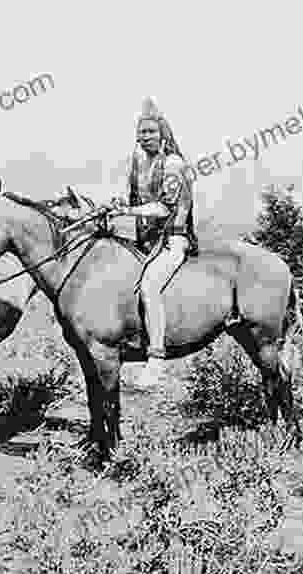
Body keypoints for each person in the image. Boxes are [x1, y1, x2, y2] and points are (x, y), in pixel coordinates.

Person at [115, 97, 196, 388]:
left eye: (150, 132)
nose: (143, 137)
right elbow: (137, 202)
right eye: (140, 132)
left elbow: (163, 207)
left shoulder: (174, 165)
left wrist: (127, 211)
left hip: (173, 240)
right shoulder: (140, 164)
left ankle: (157, 359)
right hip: (146, 242)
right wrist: (119, 205)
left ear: (163, 134)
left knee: (150, 286)